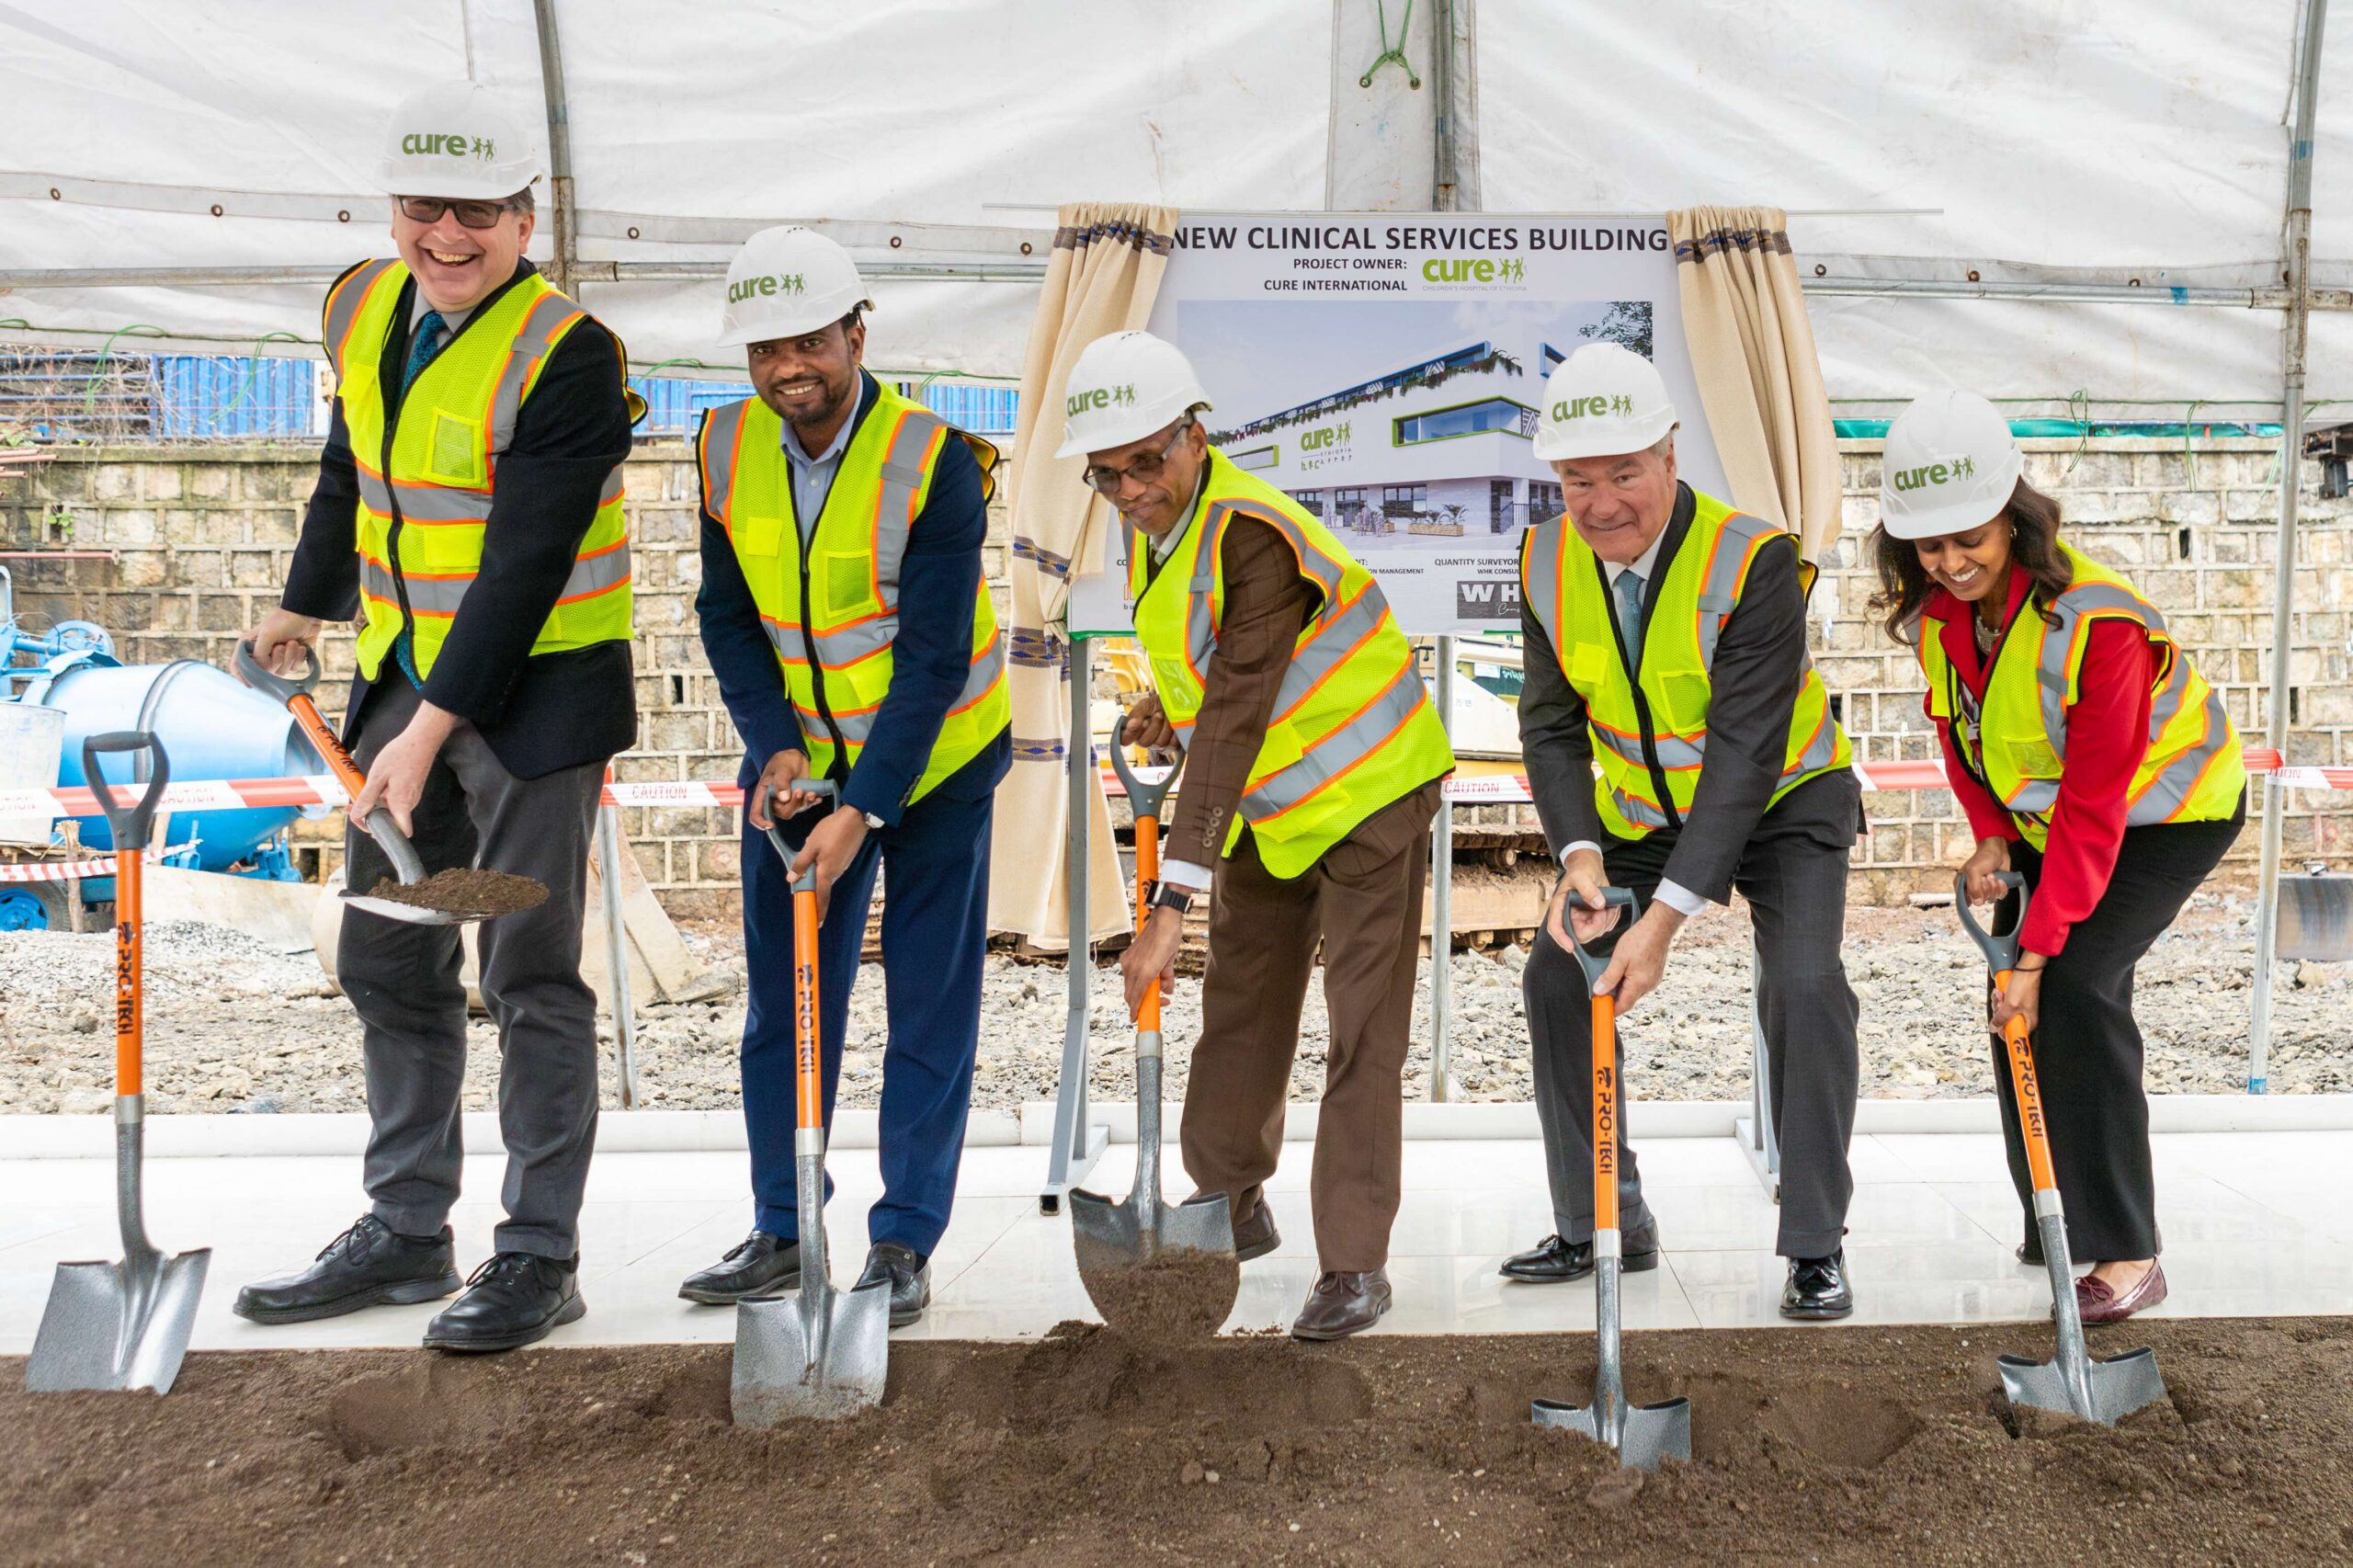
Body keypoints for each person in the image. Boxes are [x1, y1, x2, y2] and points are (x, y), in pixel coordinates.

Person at [233, 82, 642, 1351]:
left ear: (527, 218)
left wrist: (418, 736)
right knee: (394, 956)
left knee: (525, 969)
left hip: (535, 702)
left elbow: (522, 565)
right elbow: (353, 461)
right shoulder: (362, 301)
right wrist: (306, 604)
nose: (444, 236)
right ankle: (410, 1229)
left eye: (475, 212)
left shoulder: (570, 353)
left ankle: (537, 1255)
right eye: (422, 209)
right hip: (413, 676)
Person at [1062, 331, 1455, 1341]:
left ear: (1195, 436)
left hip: (1370, 791)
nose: (1131, 489)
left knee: (1361, 1028)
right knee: (1242, 1000)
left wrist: (1166, 905)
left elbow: (1242, 707)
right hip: (1270, 809)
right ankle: (1229, 1196)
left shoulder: (1251, 531)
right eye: (1107, 475)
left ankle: (1355, 1262)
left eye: (1147, 461)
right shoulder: (1157, 528)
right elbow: (1217, 684)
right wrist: (1168, 711)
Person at [678, 226, 1009, 1327]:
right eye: (765, 349)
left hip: (937, 764)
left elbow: (930, 659)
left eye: (809, 341)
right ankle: (784, 1224)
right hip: (799, 773)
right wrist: (772, 744)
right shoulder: (723, 447)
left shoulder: (936, 459)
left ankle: (904, 1238)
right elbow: (726, 614)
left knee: (926, 1005)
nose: (788, 368)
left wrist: (867, 806)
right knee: (783, 1007)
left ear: (856, 333)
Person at [1507, 343, 1864, 1319]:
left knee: (1802, 983)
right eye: (1577, 479)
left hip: (1785, 798)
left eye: (1623, 473)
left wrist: (1657, 925)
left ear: (1669, 455)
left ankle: (1814, 1242)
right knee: (1555, 973)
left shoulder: (1756, 560)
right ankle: (1600, 1219)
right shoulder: (1542, 559)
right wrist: (1579, 857)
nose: (1600, 503)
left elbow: (1746, 754)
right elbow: (1547, 723)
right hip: (1639, 814)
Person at [1872, 390, 2245, 1323]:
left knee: (2069, 984)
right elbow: (1960, 737)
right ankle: (2056, 1216)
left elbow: (2094, 800)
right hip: (2047, 826)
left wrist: (2038, 949)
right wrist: (1989, 832)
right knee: (2011, 1006)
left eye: (1969, 539)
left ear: (2011, 514)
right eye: (1928, 547)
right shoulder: (1938, 616)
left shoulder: (2100, 623)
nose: (1950, 563)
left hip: (2169, 812)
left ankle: (2129, 1250)